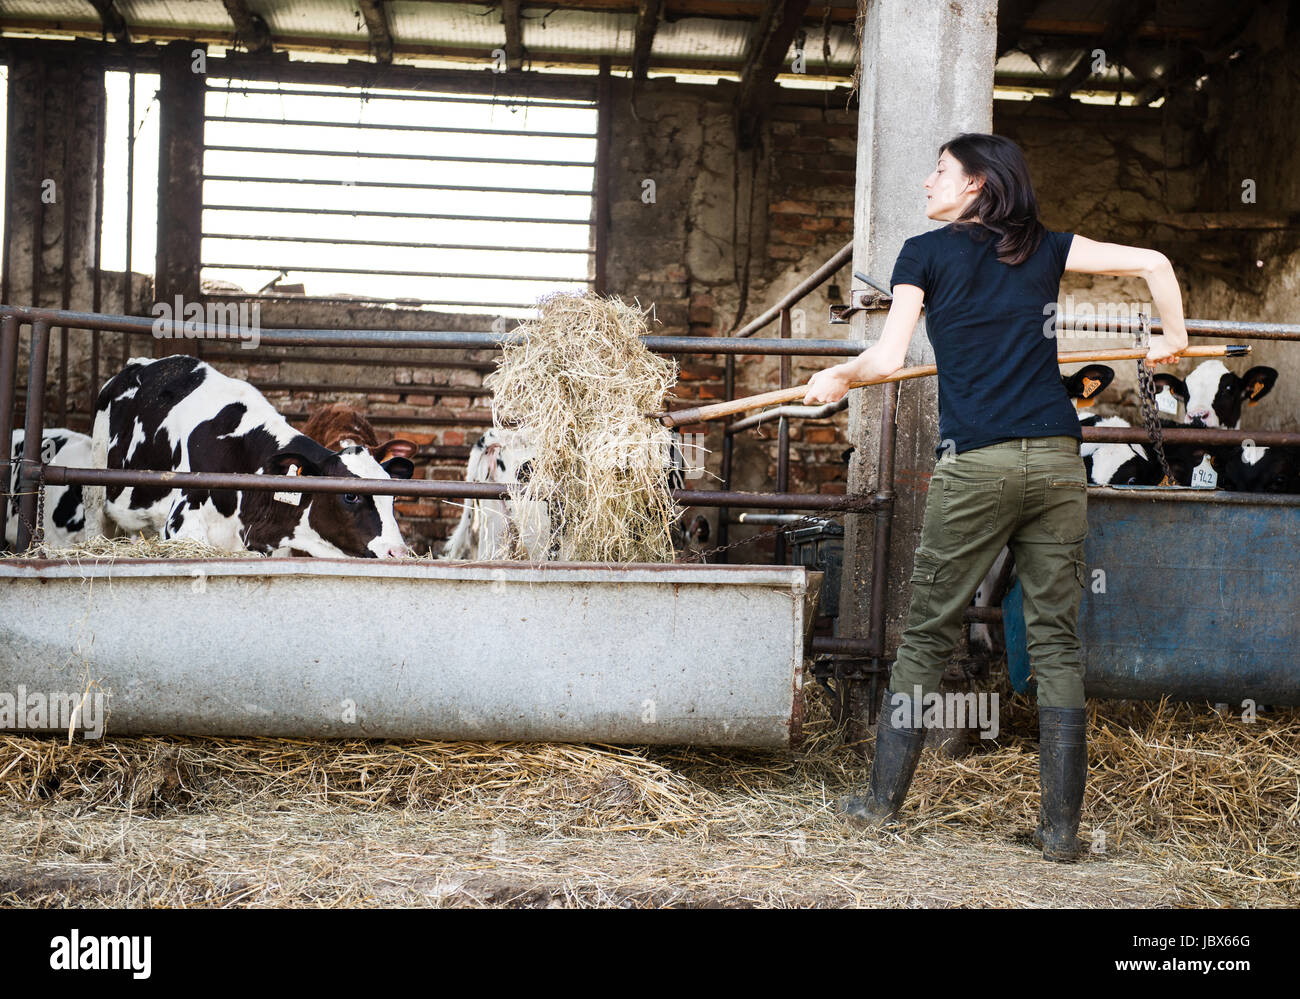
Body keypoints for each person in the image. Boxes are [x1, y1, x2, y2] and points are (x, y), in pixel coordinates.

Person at [802, 133, 1188, 862]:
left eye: (940, 170)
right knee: (1057, 640)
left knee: (926, 632)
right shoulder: (1045, 247)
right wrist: (1173, 334)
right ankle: (1060, 833)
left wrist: (837, 379)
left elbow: (888, 357)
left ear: (977, 184)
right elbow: (1154, 262)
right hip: (1054, 460)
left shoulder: (923, 253)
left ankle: (880, 803)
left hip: (976, 464)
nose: (926, 181)